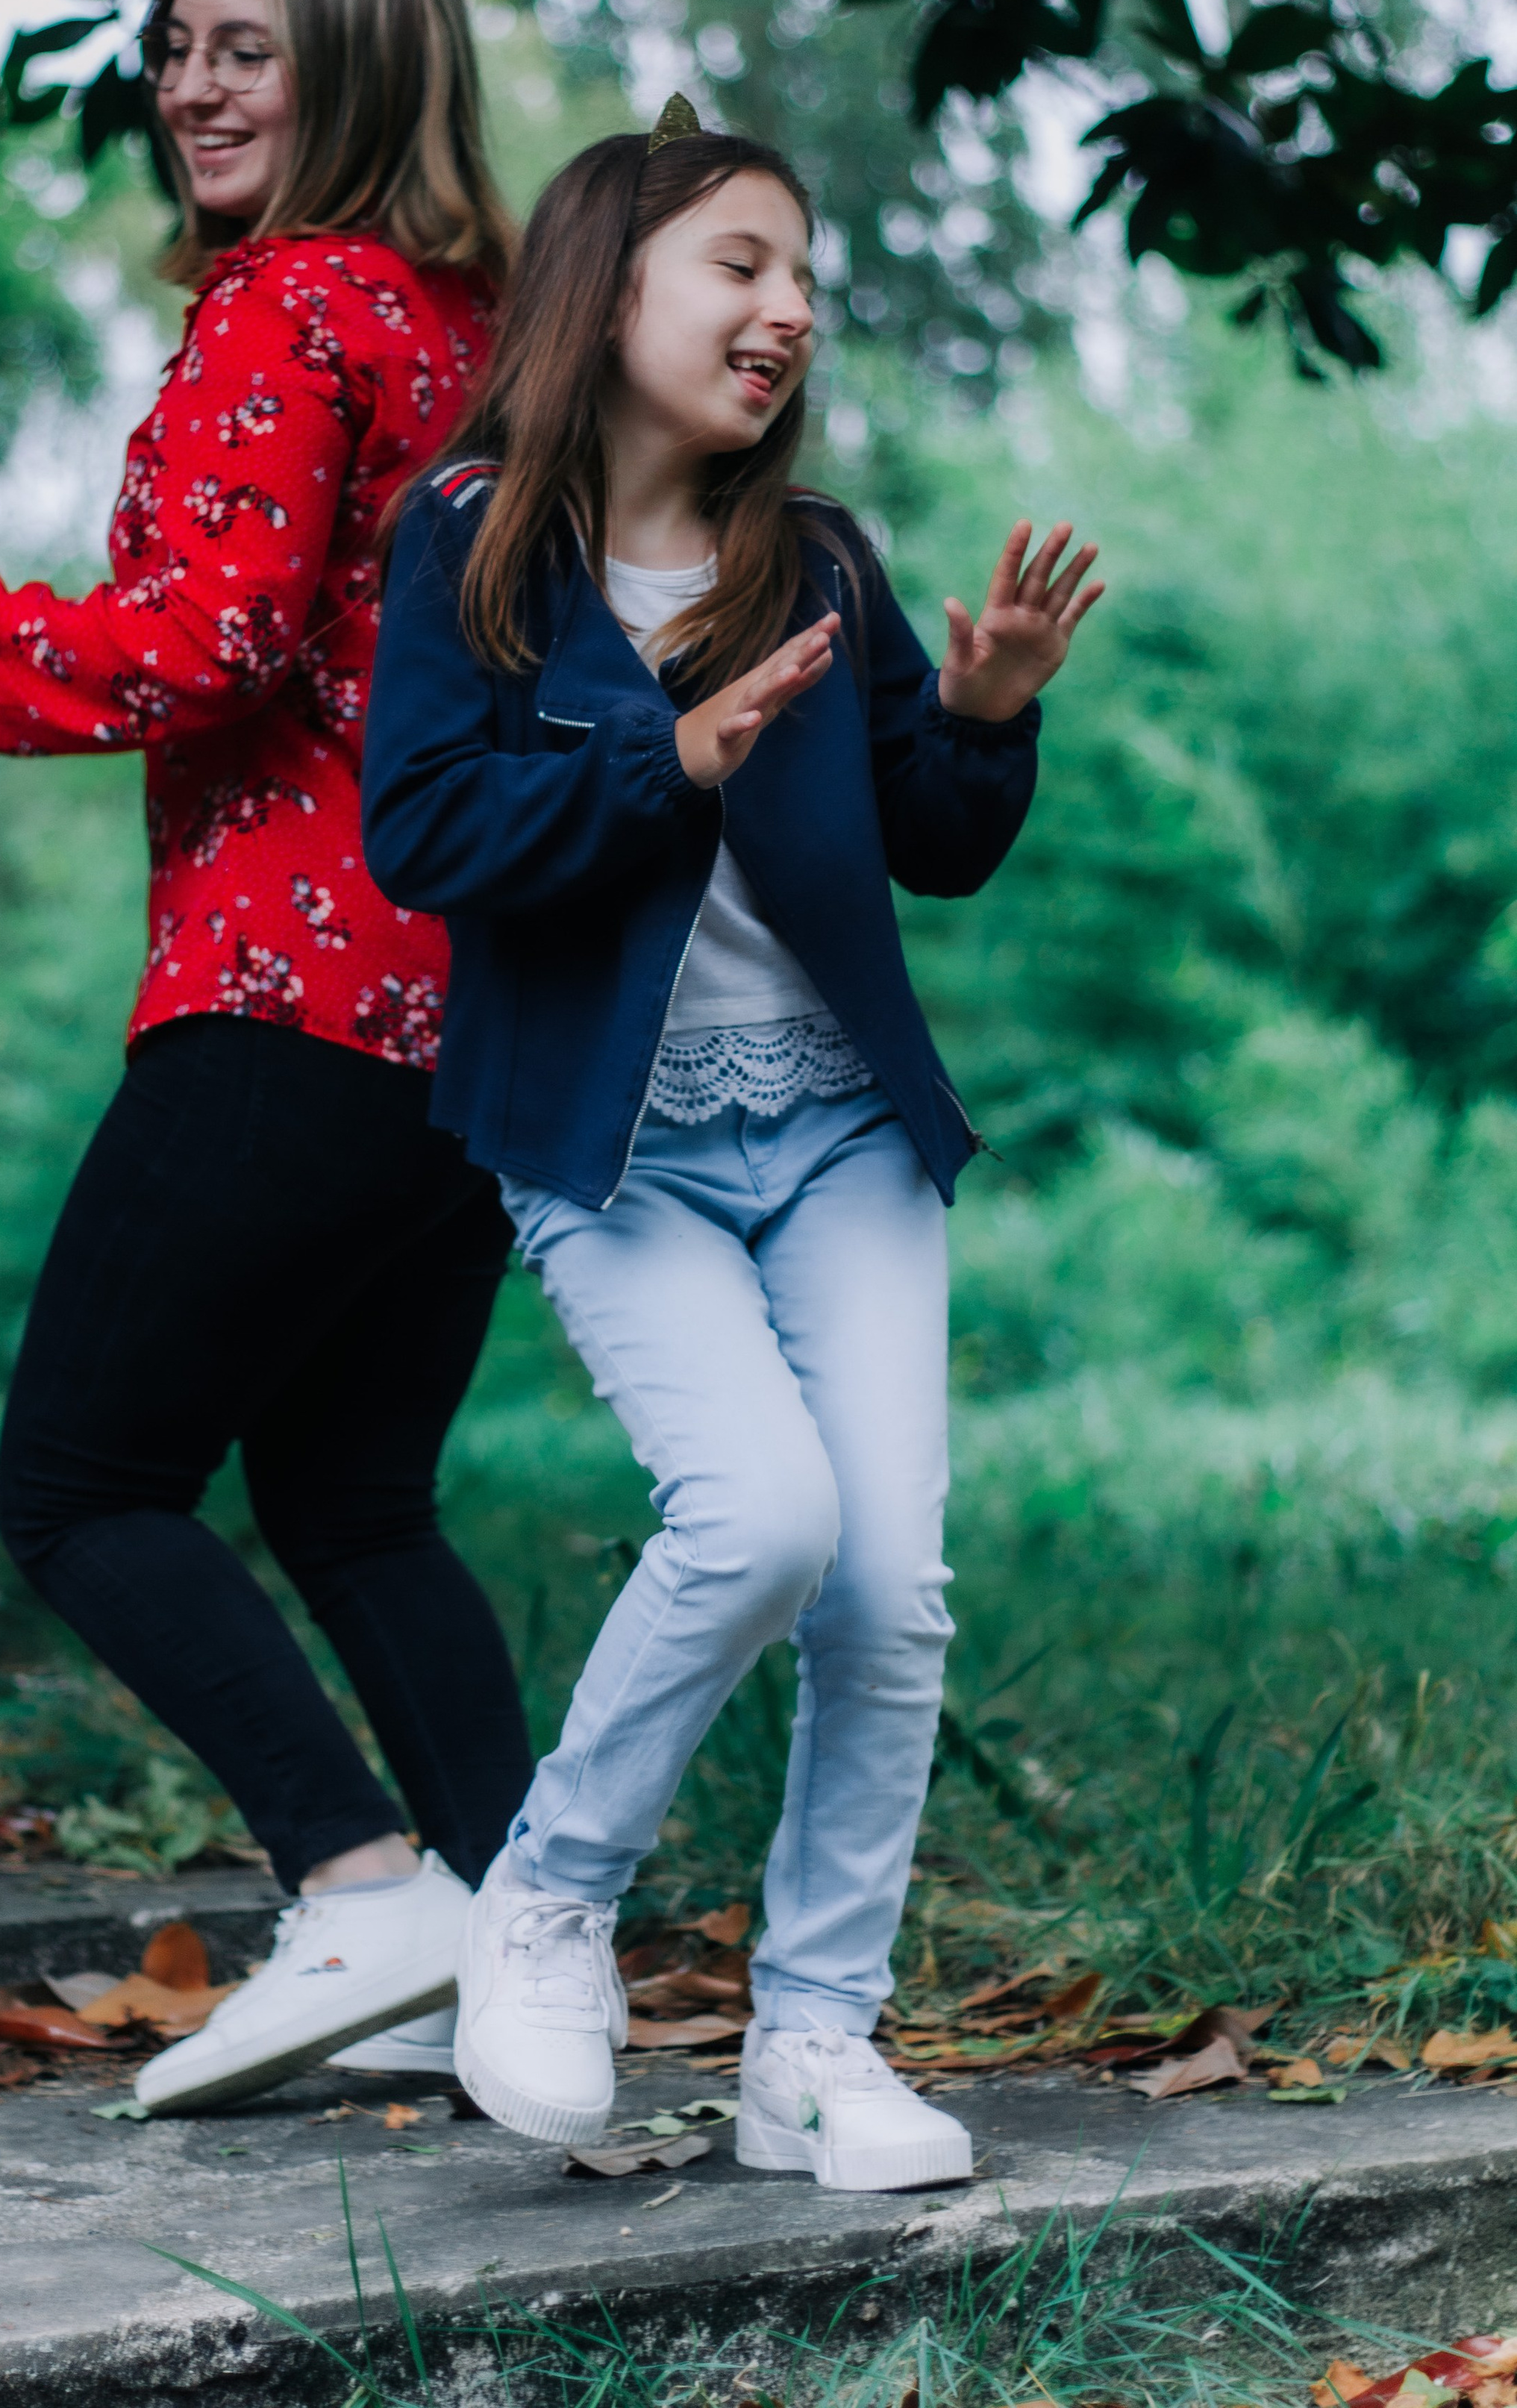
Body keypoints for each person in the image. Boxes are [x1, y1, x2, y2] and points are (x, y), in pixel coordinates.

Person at [0, 0, 537, 2116]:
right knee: (357, 1500)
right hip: (471, 1019)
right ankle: (525, 1961)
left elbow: (204, 644)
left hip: (292, 988)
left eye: (243, 48)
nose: (187, 85)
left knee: (79, 1484)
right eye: (174, 46)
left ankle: (364, 1893)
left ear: (357, 64)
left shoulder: (296, 306)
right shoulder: (479, 332)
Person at [361, 106, 1102, 2189]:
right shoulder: (472, 542)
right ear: (607, 289)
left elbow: (932, 843)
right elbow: (423, 829)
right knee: (759, 1518)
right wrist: (663, 756)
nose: (785, 313)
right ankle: (546, 1899)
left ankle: (815, 2044)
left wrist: (990, 715)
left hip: (843, 1132)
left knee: (887, 1593)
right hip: (617, 1152)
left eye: (804, 282)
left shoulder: (822, 563)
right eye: (740, 266)